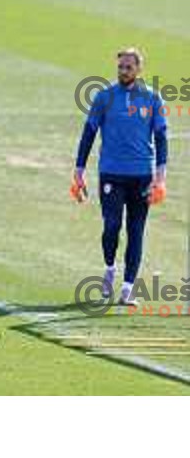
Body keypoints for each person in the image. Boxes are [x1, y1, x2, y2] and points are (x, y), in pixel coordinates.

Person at [73, 48, 168, 304]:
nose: (123, 71)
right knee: (111, 226)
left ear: (139, 69)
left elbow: (160, 138)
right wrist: (79, 170)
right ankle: (109, 268)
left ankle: (128, 289)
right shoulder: (105, 97)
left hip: (141, 176)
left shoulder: (152, 99)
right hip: (111, 173)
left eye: (128, 67)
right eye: (120, 67)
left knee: (136, 230)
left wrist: (160, 177)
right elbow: (89, 133)